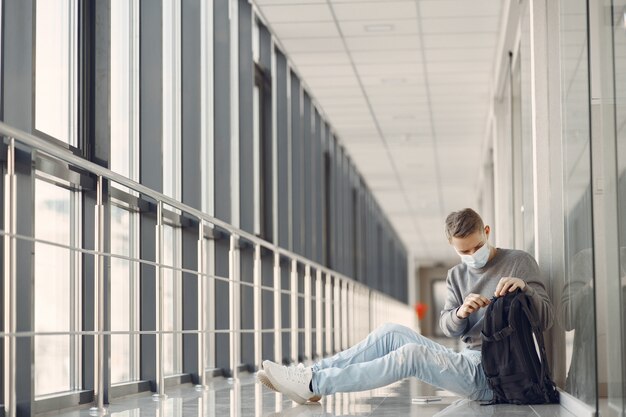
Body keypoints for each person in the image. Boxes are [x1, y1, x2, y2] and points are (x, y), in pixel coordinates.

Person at [258, 208, 554, 404]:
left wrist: (525, 290)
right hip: (469, 358)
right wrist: (462, 312)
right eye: (464, 251)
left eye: (477, 247)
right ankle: (310, 375)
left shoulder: (518, 261)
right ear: (452, 246)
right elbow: (449, 326)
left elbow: (548, 319)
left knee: (411, 354)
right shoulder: (457, 274)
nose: (472, 255)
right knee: (391, 332)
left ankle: (313, 384)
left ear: (486, 231)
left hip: (497, 374)